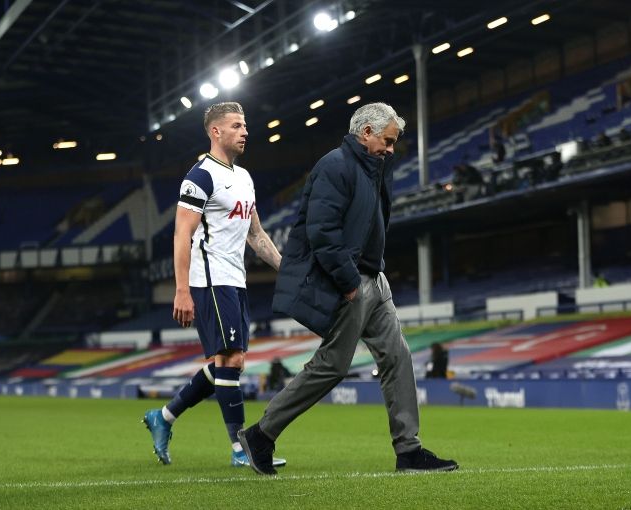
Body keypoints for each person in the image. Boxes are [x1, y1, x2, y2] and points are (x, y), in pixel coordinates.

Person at [238, 102, 458, 475]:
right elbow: (322, 231)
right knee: (332, 366)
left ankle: (409, 451)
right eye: (387, 141)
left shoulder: (376, 168)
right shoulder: (335, 165)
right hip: (351, 282)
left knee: (397, 356)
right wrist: (348, 282)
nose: (391, 149)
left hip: (376, 278)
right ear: (366, 132)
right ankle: (262, 433)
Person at [142, 102, 285, 469]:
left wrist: (285, 268)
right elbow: (181, 234)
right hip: (209, 278)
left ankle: (165, 416)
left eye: (245, 125)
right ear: (215, 132)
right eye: (237, 125)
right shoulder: (200, 176)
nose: (245, 131)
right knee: (231, 360)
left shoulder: (245, 178)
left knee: (227, 365)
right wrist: (181, 289)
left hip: (235, 279)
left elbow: (256, 235)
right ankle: (241, 449)